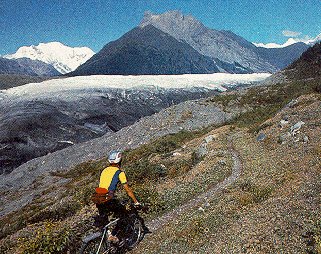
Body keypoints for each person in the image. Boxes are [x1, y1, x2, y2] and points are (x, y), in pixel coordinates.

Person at [94, 150, 140, 243]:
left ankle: (109, 235)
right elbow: (128, 190)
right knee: (123, 214)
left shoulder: (104, 170)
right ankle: (118, 237)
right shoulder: (120, 173)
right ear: (119, 161)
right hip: (108, 198)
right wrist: (136, 202)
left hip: (97, 197)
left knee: (104, 216)